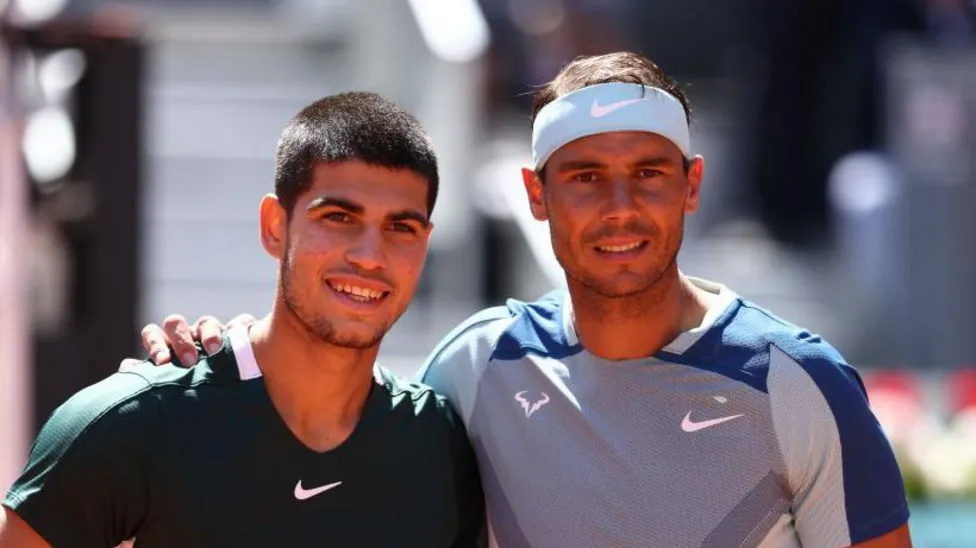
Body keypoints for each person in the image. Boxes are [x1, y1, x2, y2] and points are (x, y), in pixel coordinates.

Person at [131, 52, 912, 547]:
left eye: (648, 173)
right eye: (585, 177)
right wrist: (230, 356)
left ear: (691, 185)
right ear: (537, 196)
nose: (620, 208)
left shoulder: (797, 382)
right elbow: (327, 445)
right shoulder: (476, 366)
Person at [0, 92, 486, 547]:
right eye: (339, 217)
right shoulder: (134, 422)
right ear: (275, 226)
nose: (370, 256)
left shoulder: (438, 443)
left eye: (401, 227)